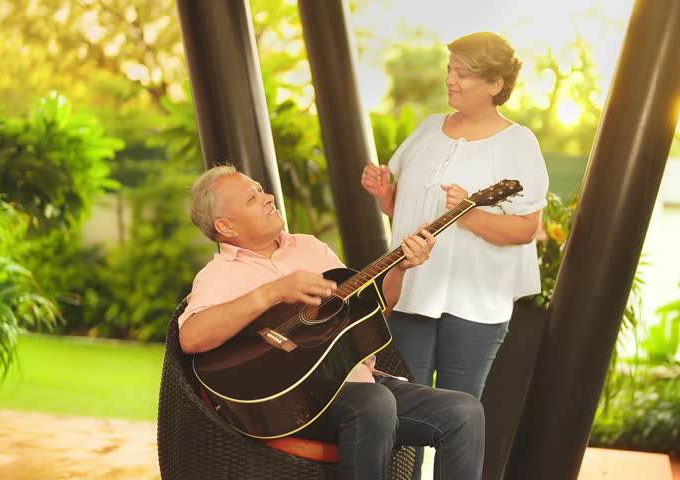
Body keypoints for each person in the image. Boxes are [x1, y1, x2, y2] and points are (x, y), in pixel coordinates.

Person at [178, 165, 485, 480]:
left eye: (261, 189)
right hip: (295, 403)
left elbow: (367, 316)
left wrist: (400, 269)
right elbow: (191, 338)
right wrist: (272, 292)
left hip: (359, 383)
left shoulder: (308, 246)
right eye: (252, 198)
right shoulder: (220, 274)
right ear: (226, 226)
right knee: (374, 402)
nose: (268, 197)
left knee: (463, 411)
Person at [361, 32, 548, 403]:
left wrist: (467, 215)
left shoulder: (519, 142)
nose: (450, 80)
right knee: (402, 412)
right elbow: (406, 211)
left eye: (462, 73)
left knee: (457, 416)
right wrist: (386, 194)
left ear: (495, 83)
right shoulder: (429, 128)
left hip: (475, 305)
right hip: (411, 293)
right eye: (450, 70)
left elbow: (527, 229)